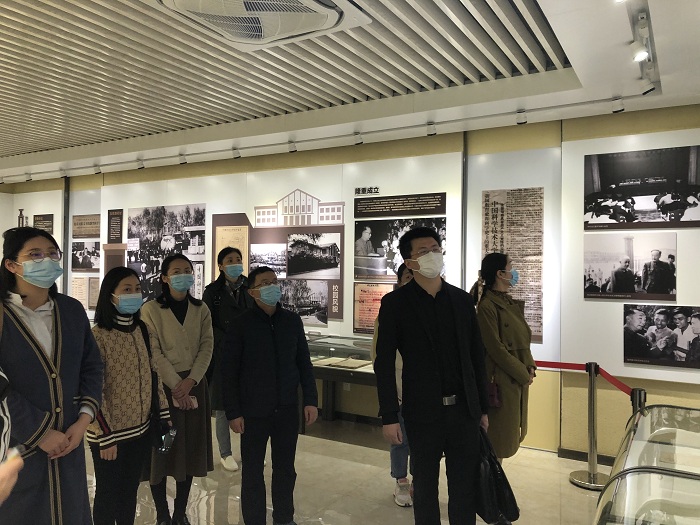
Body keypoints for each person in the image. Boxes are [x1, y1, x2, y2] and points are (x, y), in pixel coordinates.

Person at [374, 227, 489, 525]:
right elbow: (383, 363)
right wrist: (389, 415)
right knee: (424, 487)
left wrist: (483, 408)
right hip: (422, 413)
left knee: (464, 487)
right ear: (409, 262)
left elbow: (477, 357)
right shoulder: (395, 304)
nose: (432, 255)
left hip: (463, 411)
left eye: (436, 249)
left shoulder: (462, 301)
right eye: (424, 251)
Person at [0, 226, 103, 524]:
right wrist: (40, 432)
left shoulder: (70, 310)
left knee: (68, 511)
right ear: (11, 264)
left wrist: (83, 422)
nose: (46, 260)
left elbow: (92, 366)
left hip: (69, 443)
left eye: (52, 254)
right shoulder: (4, 315)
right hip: (17, 448)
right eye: (35, 254)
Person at [221, 265, 318, 525]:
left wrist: (311, 400)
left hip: (286, 408)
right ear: (252, 292)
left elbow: (304, 363)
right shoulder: (241, 325)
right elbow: (229, 372)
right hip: (253, 411)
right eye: (264, 283)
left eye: (274, 281)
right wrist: (233, 412)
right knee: (252, 472)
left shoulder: (292, 321)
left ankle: (284, 518)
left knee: (285, 469)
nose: (272, 286)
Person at [87, 266, 171, 525]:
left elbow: (154, 375)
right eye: (126, 289)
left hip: (140, 430)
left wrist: (164, 414)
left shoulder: (142, 330)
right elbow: (92, 389)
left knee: (129, 492)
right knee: (107, 494)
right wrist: (105, 436)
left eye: (137, 289)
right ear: (110, 295)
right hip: (109, 434)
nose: (134, 294)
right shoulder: (98, 336)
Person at [141, 254, 214, 525]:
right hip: (164, 392)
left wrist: (191, 381)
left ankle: (180, 512)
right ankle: (162, 513)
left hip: (194, 388)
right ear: (164, 277)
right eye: (176, 271)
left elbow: (207, 346)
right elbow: (154, 352)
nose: (183, 275)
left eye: (187, 270)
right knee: (163, 450)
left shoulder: (201, 309)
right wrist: (176, 385)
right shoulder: (150, 310)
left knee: (190, 450)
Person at [471, 254, 536, 473]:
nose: (514, 273)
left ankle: (494, 486)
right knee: (496, 443)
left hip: (514, 379)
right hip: (500, 381)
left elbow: (523, 340)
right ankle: (490, 489)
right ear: (500, 274)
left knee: (505, 440)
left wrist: (530, 365)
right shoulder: (487, 306)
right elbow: (496, 349)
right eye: (511, 268)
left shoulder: (508, 303)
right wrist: (522, 373)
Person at [202, 247, 254, 472]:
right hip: (223, 354)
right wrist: (228, 339)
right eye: (230, 260)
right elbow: (207, 324)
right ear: (221, 266)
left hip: (249, 354)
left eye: (238, 259)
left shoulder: (250, 287)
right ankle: (225, 453)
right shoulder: (212, 292)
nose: (235, 263)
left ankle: (249, 451)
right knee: (223, 406)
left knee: (249, 404)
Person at [371, 263, 414, 507]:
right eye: (407, 275)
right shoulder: (390, 309)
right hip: (399, 387)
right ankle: (401, 480)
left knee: (421, 442)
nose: (412, 279)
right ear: (399, 280)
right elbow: (379, 355)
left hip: (424, 391)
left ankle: (419, 479)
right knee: (400, 439)